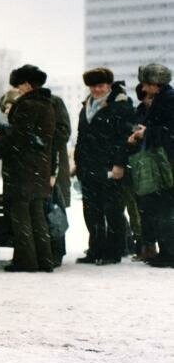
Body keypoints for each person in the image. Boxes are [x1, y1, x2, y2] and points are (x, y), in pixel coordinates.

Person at [0, 65, 56, 272]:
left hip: (22, 170)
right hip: (39, 168)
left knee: (20, 216)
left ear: (26, 84)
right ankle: (45, 259)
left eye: (18, 85)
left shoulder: (26, 105)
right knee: (38, 216)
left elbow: (17, 140)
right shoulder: (47, 104)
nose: (17, 90)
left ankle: (26, 261)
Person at [74, 68, 134, 265]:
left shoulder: (121, 105)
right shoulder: (87, 106)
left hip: (110, 165)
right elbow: (81, 138)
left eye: (100, 86)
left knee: (113, 210)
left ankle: (113, 251)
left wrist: (119, 164)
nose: (96, 90)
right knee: (91, 211)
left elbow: (123, 139)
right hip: (89, 166)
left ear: (109, 85)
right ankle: (95, 249)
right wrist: (78, 162)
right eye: (93, 86)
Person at [128, 63, 174, 268]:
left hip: (167, 162)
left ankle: (169, 254)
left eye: (146, 85)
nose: (144, 89)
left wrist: (145, 132)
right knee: (164, 207)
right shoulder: (165, 99)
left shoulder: (168, 101)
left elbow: (167, 131)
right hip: (164, 161)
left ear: (155, 84)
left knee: (166, 207)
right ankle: (166, 251)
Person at [128, 84, 157, 262]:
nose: (149, 101)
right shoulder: (138, 113)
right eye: (146, 97)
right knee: (143, 208)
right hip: (143, 164)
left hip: (158, 163)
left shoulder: (163, 111)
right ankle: (147, 247)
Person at [46, 91, 72, 266]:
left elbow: (64, 132)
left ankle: (57, 251)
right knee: (50, 208)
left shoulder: (54, 102)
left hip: (54, 164)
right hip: (44, 164)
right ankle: (51, 250)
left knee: (55, 208)